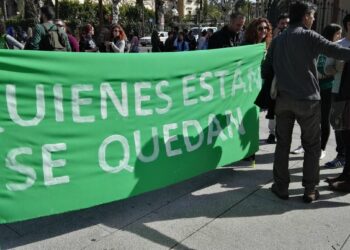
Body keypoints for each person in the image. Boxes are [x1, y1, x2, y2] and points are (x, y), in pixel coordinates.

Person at [262, 1, 350, 203]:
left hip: (283, 100)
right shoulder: (310, 36)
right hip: (308, 100)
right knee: (312, 146)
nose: (314, 19)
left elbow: (265, 69)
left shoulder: (278, 39)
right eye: (312, 16)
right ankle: (310, 190)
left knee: (282, 145)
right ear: (305, 17)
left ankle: (281, 187)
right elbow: (338, 52)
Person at [324, 14, 350, 168]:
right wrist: (336, 68)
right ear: (347, 25)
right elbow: (326, 69)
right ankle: (341, 155)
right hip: (338, 91)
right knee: (339, 126)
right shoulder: (338, 45)